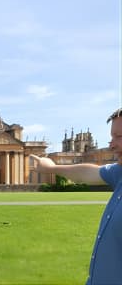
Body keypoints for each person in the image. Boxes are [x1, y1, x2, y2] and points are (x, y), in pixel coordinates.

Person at [31, 108, 122, 285]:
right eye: (112, 137)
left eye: (119, 136)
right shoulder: (119, 173)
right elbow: (87, 173)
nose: (112, 144)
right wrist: (52, 168)